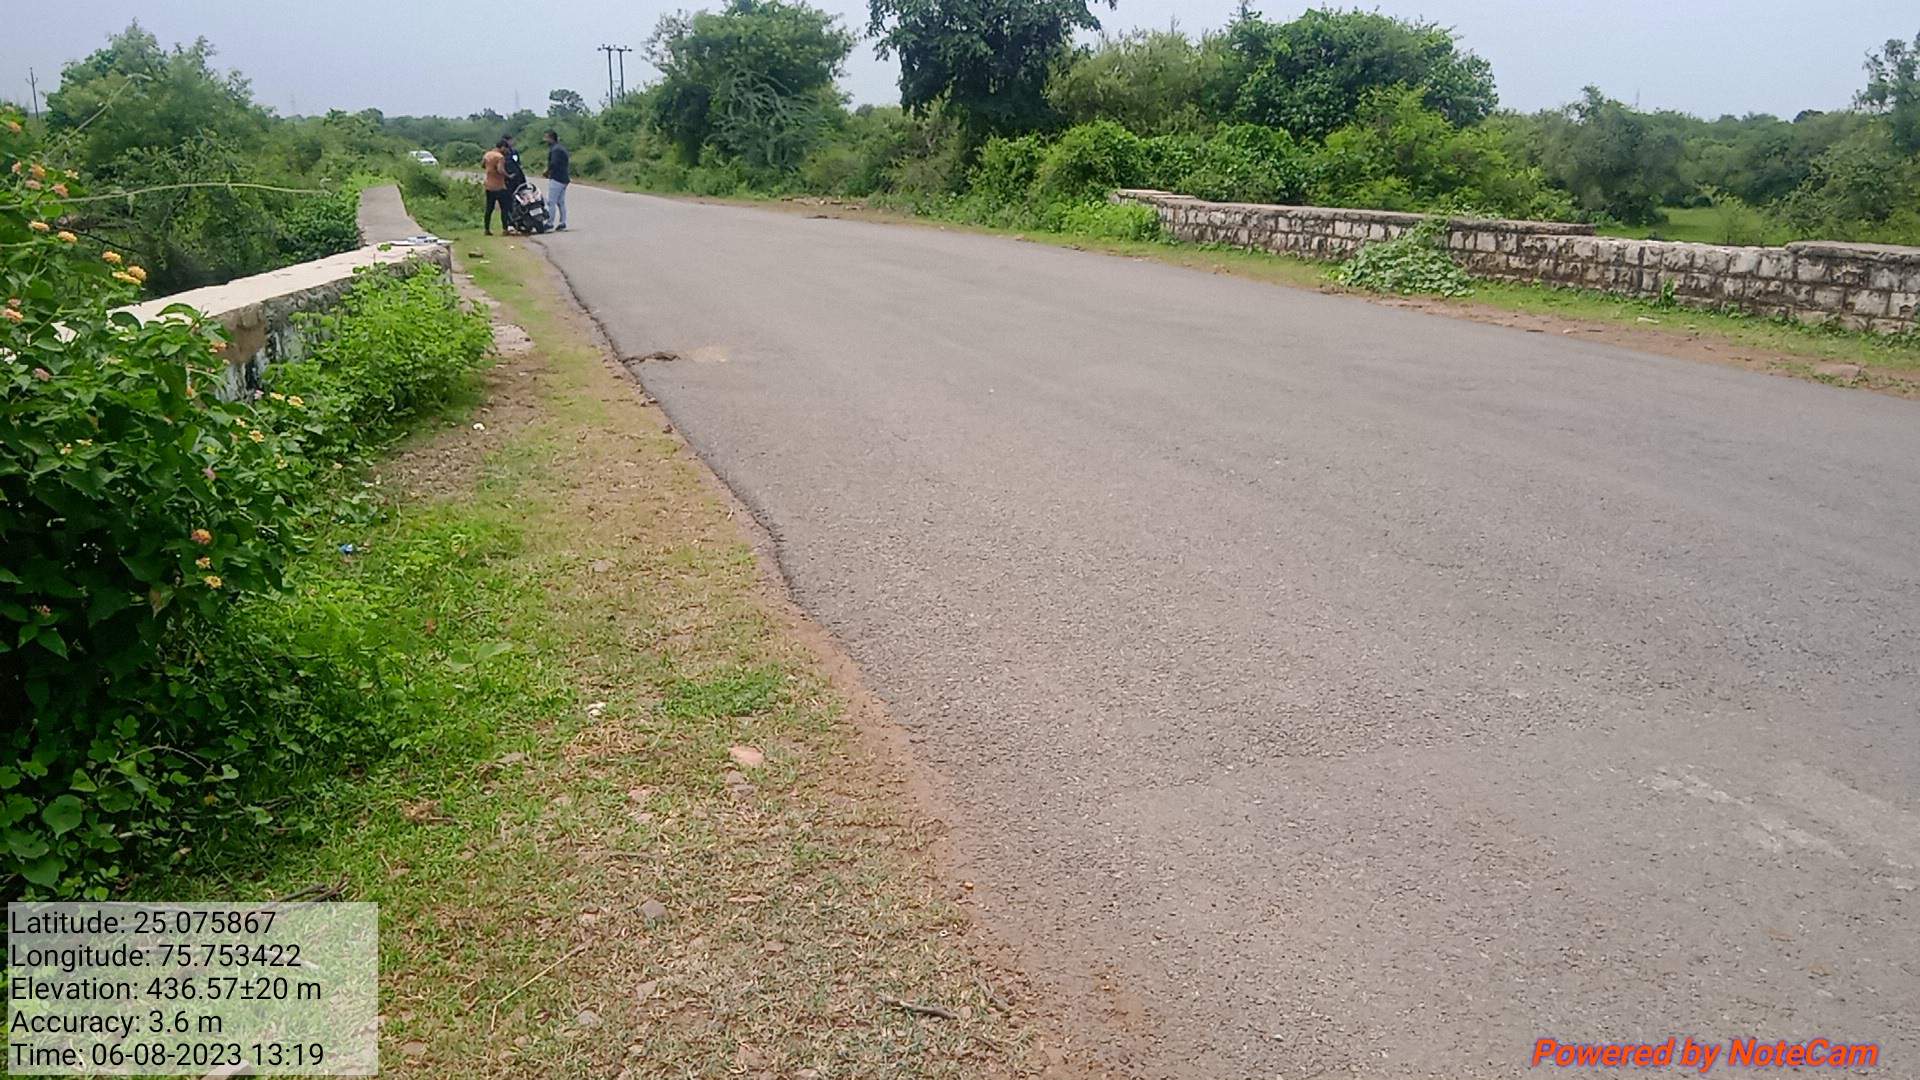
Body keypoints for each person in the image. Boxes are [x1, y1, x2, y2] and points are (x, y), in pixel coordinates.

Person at [482, 138, 513, 235]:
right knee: (504, 208)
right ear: (502, 147)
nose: (507, 150)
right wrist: (508, 176)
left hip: (488, 185)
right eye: (506, 148)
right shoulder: (500, 157)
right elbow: (500, 170)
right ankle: (505, 229)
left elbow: (482, 165)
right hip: (499, 186)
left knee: (489, 208)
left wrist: (490, 169)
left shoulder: (487, 154)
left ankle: (486, 229)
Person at [543, 129, 571, 232]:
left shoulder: (555, 150)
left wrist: (547, 171)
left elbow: (553, 163)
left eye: (546, 138)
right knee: (560, 202)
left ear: (551, 138)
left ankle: (550, 223)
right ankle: (562, 222)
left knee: (551, 201)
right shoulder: (561, 148)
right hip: (564, 178)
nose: (545, 140)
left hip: (557, 178)